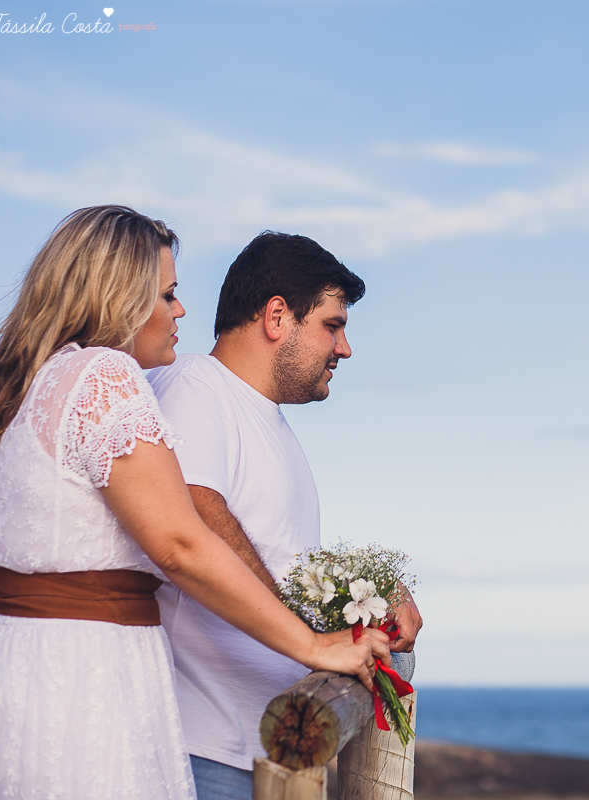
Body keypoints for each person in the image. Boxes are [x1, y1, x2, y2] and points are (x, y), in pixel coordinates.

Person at [0, 207, 390, 799]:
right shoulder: (104, 375)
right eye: (167, 294)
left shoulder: (16, 389)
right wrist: (311, 642)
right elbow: (181, 541)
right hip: (87, 682)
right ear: (117, 296)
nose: (180, 311)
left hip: (7, 669)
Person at [148, 231, 423, 800]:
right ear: (277, 316)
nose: (344, 348)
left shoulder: (269, 422)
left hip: (271, 748)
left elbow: (276, 557)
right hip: (202, 747)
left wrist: (369, 593)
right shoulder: (195, 386)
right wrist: (313, 642)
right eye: (332, 324)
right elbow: (196, 517)